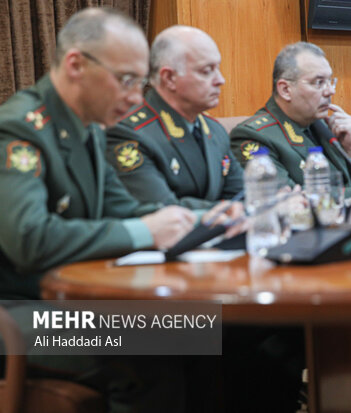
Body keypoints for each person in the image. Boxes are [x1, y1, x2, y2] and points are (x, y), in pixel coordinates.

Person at [0, 8, 229, 412]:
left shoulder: (86, 126)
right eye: (125, 80)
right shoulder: (20, 129)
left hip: (68, 305)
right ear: (76, 65)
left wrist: (203, 219)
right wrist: (145, 232)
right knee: (159, 345)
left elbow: (126, 209)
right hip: (20, 316)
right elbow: (29, 240)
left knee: (213, 332)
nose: (136, 97)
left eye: (139, 82)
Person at [230, 41, 351, 205]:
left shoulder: (321, 126)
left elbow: (349, 184)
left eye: (330, 81)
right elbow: (291, 201)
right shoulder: (254, 136)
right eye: (319, 82)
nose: (330, 90)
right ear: (285, 90)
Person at [106, 25, 244, 211]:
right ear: (169, 78)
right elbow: (161, 209)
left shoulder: (214, 130)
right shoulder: (128, 132)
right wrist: (224, 211)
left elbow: (242, 194)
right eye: (206, 71)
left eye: (217, 68)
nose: (220, 80)